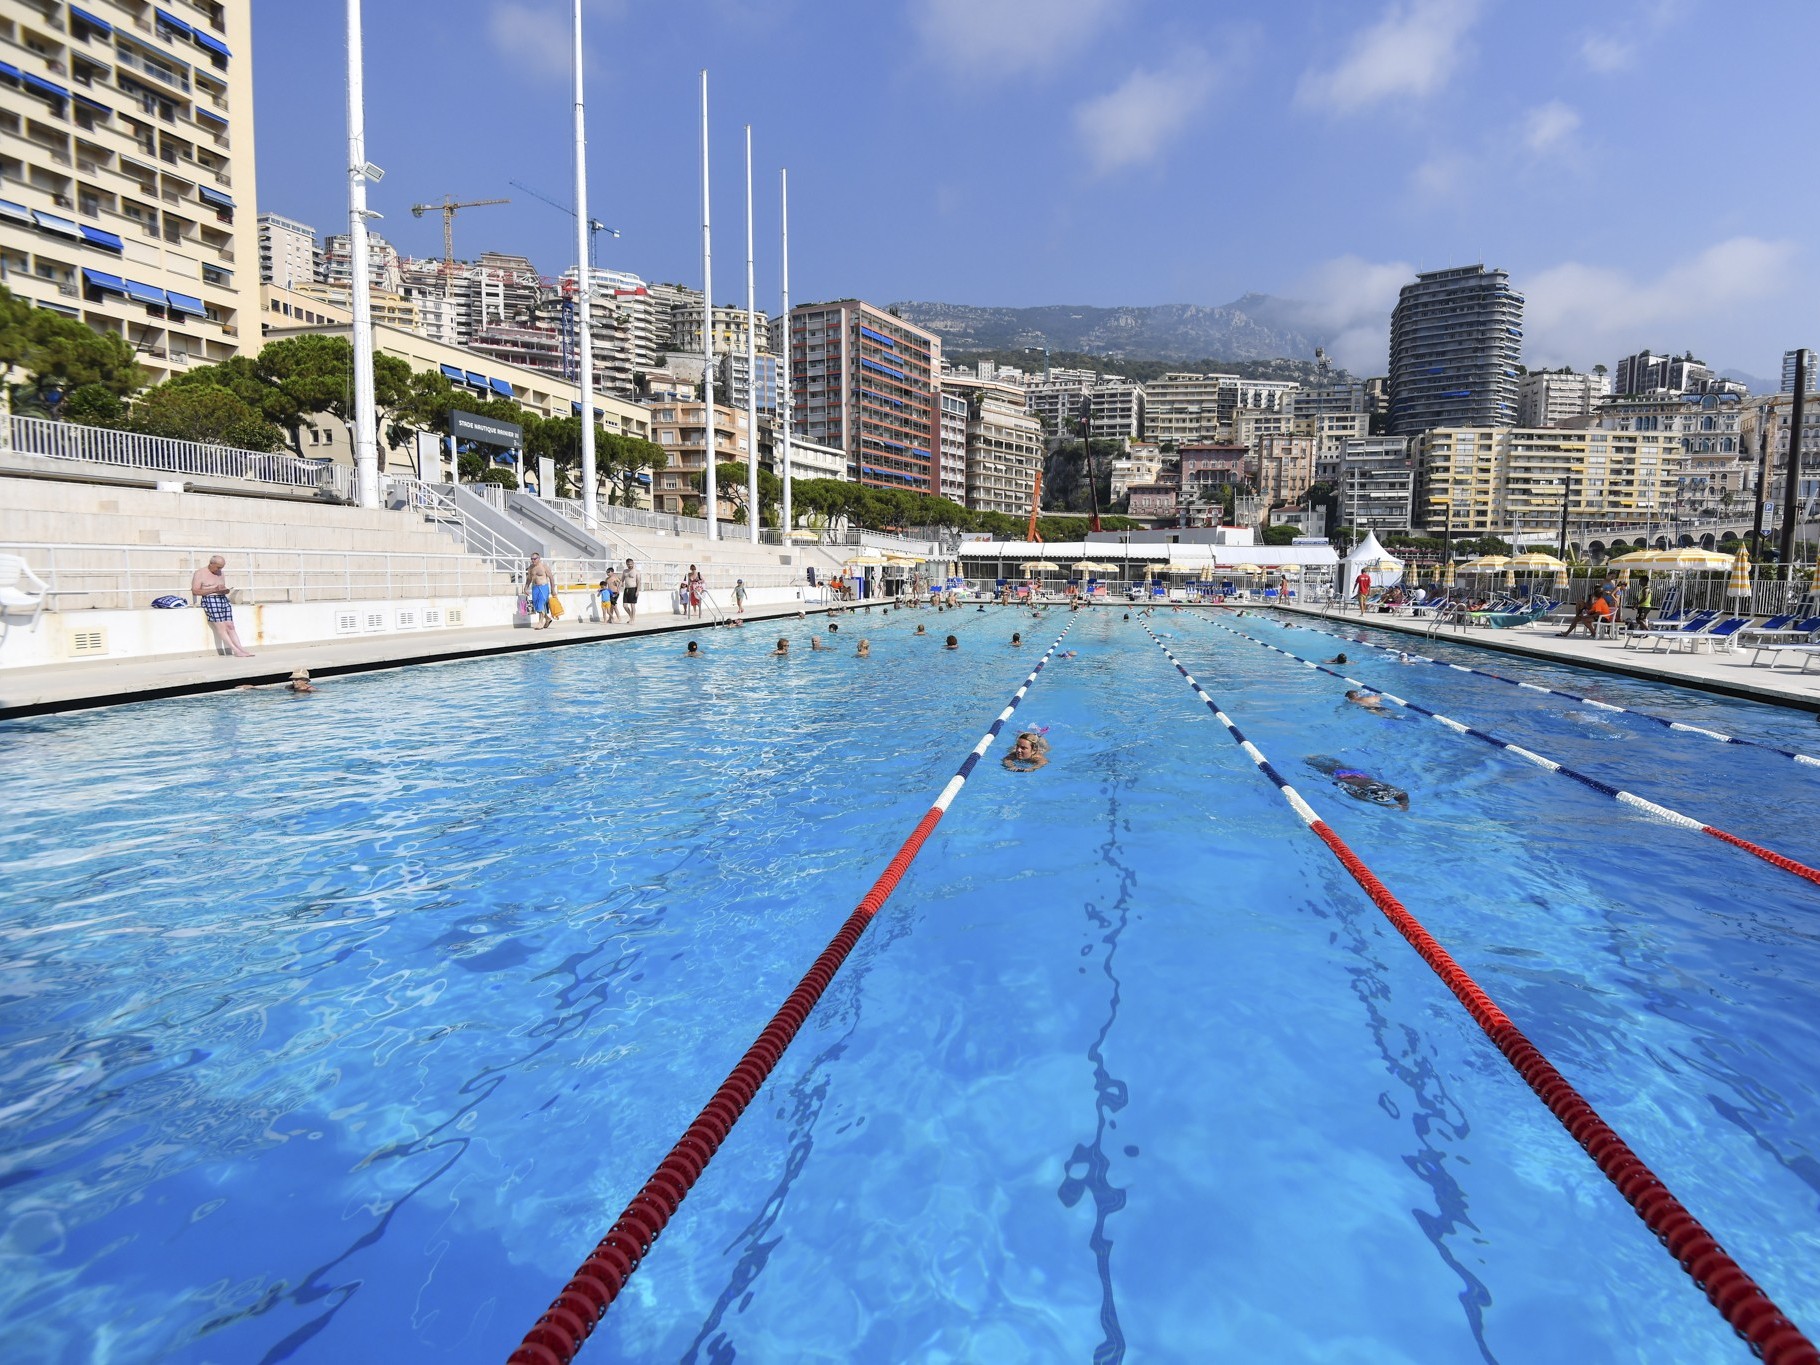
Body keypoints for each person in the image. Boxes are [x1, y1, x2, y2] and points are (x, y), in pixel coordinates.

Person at [190, 555, 254, 656]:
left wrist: (225, 590)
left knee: (230, 626)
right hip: (210, 600)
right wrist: (214, 590)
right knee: (221, 626)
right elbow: (195, 591)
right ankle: (235, 650)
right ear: (211, 564)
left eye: (222, 567)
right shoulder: (200, 573)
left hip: (222, 599)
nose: (220, 569)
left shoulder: (221, 573)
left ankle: (241, 649)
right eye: (218, 567)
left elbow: (222, 588)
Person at [1306, 755, 1409, 810]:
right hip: (1341, 775)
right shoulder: (1361, 791)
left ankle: (1314, 756)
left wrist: (1403, 804)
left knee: (1329, 762)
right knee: (1311, 762)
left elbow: (1402, 794)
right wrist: (1400, 804)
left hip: (1358, 774)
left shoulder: (1385, 787)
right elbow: (1357, 796)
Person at [522, 553, 555, 630]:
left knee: (541, 604)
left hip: (543, 587)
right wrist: (525, 588)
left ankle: (540, 623)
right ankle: (547, 619)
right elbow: (529, 579)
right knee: (537, 606)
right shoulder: (530, 568)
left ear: (539, 558)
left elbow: (551, 578)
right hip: (535, 588)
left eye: (535, 559)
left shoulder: (544, 567)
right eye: (532, 559)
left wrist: (553, 590)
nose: (533, 560)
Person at [620, 558, 641, 623]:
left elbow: (638, 582)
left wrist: (637, 591)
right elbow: (622, 580)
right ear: (626, 564)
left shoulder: (636, 572)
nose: (630, 565)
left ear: (633, 563)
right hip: (626, 589)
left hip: (633, 589)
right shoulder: (625, 571)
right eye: (628, 564)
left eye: (631, 564)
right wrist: (618, 588)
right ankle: (631, 617)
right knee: (625, 606)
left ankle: (632, 619)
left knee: (632, 605)